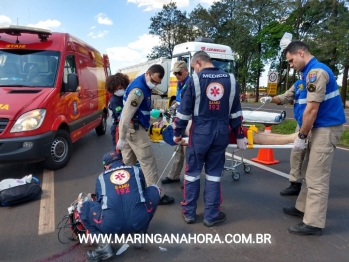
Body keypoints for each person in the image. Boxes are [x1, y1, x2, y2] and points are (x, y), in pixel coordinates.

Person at [272, 40, 345, 236]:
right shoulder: (305, 76)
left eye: (291, 60)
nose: (290, 64)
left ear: (301, 53)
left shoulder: (316, 73)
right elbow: (295, 100)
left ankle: (313, 223)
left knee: (317, 177)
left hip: (325, 128)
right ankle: (302, 207)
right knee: (307, 171)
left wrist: (302, 135)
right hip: (318, 128)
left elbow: (312, 109)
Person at [173, 51, 248, 227]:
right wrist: (239, 134)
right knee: (214, 174)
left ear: (198, 62)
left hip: (200, 132)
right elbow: (236, 111)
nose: (194, 71)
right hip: (221, 131)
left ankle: (189, 213)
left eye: (193, 67)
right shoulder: (231, 79)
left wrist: (177, 133)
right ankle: (211, 215)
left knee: (192, 174)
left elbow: (184, 112)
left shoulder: (195, 80)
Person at [79, 151, 161, 261]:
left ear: (106, 167)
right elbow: (141, 191)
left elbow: (100, 202)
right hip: (139, 219)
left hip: (110, 226)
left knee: (82, 207)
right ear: (122, 161)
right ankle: (141, 231)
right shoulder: (136, 170)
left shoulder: (101, 178)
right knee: (155, 190)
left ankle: (104, 245)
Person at [117, 64, 175, 205]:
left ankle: (128, 193)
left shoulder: (142, 84)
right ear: (148, 73)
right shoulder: (138, 90)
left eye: (157, 83)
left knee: (129, 164)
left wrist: (158, 117)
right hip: (134, 130)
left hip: (132, 128)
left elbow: (142, 111)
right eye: (153, 81)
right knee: (148, 162)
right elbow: (126, 115)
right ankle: (156, 196)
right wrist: (121, 137)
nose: (154, 84)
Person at [261, 80, 306, 196]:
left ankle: (309, 188)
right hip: (301, 123)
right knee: (296, 154)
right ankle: (295, 184)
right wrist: (271, 99)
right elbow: (285, 97)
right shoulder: (298, 84)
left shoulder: (316, 78)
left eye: (292, 61)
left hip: (316, 123)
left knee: (312, 157)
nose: (291, 65)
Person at [162, 60, 190, 185]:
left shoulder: (191, 83)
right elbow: (179, 100)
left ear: (186, 71)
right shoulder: (180, 83)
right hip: (179, 119)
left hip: (189, 121)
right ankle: (174, 176)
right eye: (175, 73)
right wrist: (175, 105)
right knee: (178, 150)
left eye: (179, 73)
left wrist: (181, 104)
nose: (177, 76)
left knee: (188, 152)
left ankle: (189, 181)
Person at [105, 73, 130, 152]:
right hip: (117, 127)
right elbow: (120, 116)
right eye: (116, 89)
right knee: (118, 150)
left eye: (120, 88)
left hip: (125, 126)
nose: (119, 90)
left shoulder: (125, 96)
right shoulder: (115, 100)